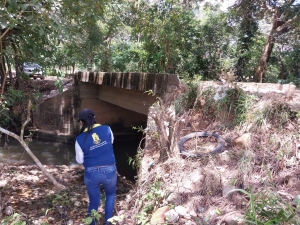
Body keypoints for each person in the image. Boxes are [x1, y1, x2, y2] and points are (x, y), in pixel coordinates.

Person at [75, 108, 117, 225]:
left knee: (93, 201)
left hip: (91, 172)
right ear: (94, 118)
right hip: (109, 169)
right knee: (110, 195)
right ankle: (107, 223)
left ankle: (92, 223)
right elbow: (111, 142)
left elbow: (79, 160)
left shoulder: (79, 139)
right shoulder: (107, 129)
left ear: (81, 122)